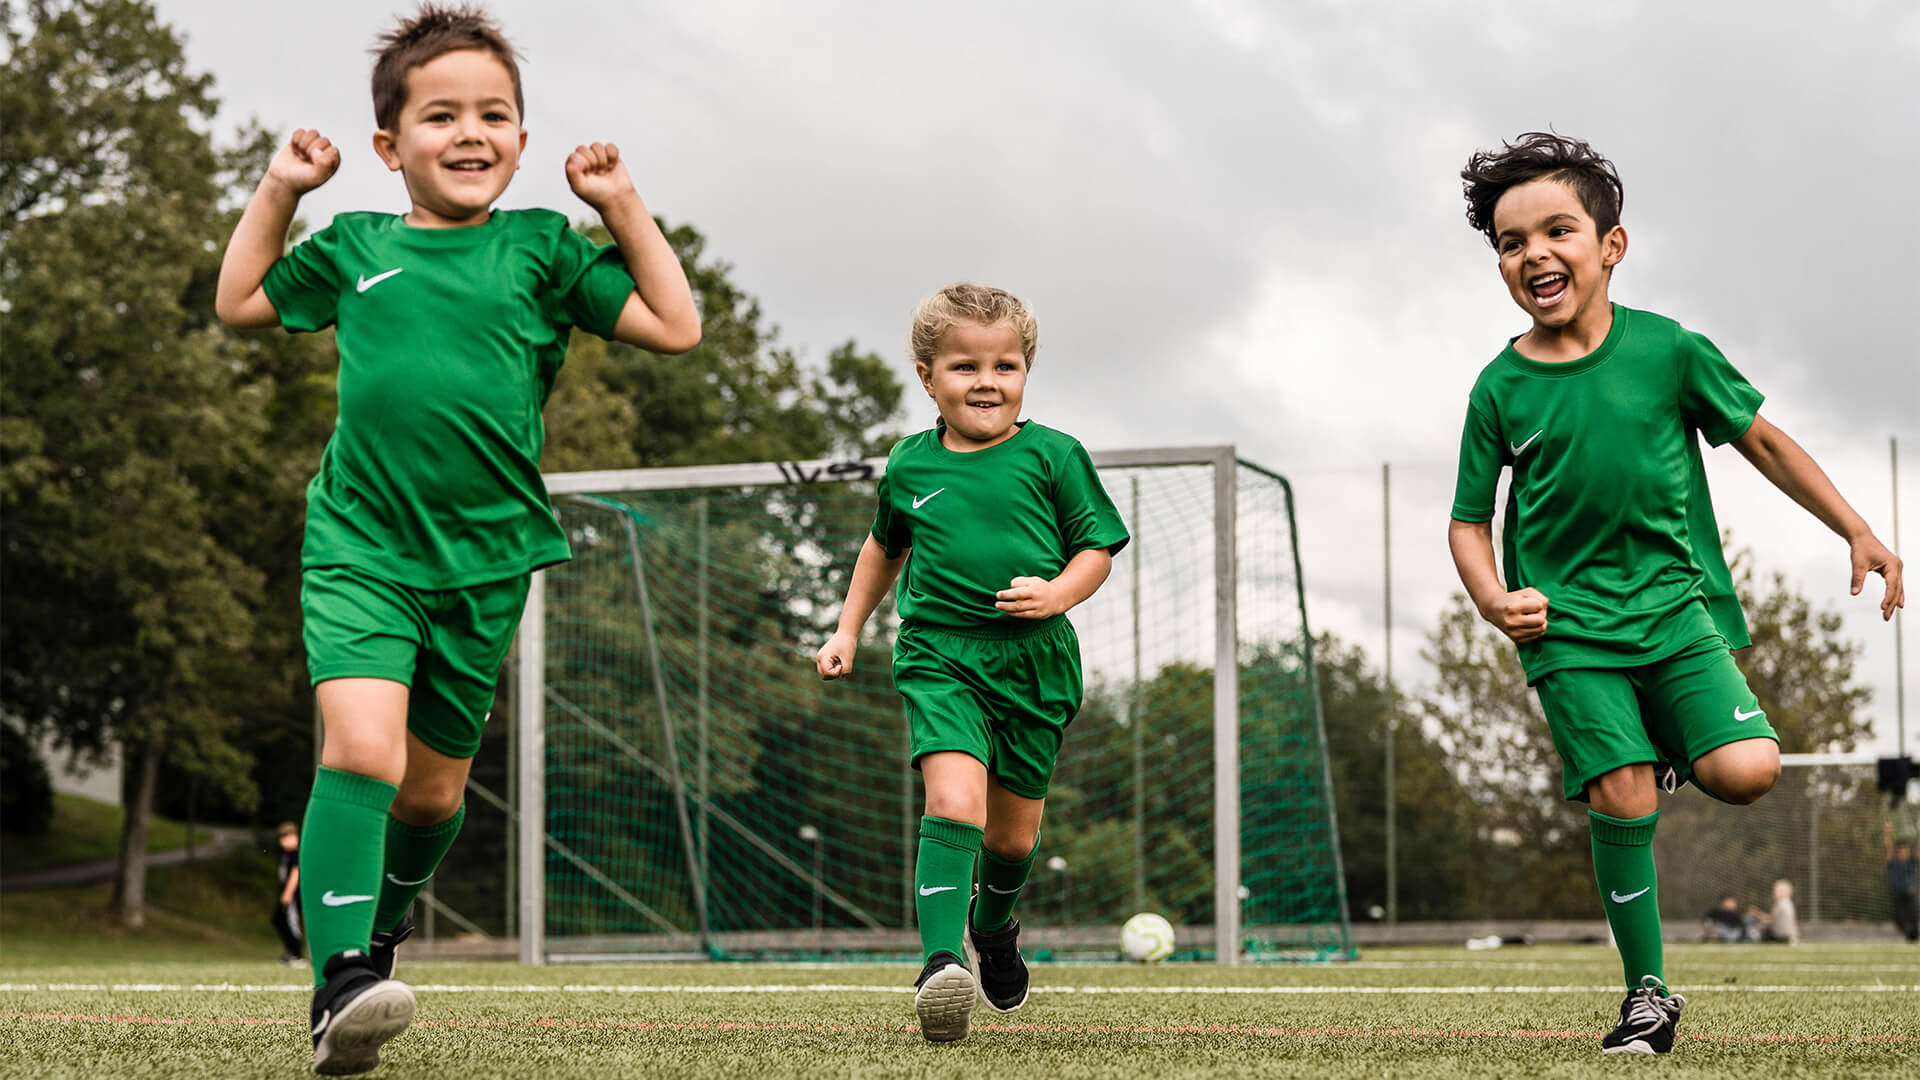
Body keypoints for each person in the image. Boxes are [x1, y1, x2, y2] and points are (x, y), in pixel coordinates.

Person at [213, 5, 700, 1072]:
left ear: (523, 140)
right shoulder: (353, 247)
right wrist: (283, 188)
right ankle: (340, 980)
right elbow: (239, 298)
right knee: (363, 750)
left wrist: (620, 205)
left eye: (494, 113)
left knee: (433, 795)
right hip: (360, 548)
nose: (470, 132)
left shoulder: (543, 250)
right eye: (441, 115)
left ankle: (379, 933)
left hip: (485, 567)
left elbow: (676, 325)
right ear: (391, 147)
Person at [1448, 132, 1904, 1057]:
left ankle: (1659, 746)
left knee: (1748, 771)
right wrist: (1495, 601)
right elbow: (1466, 522)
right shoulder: (1499, 387)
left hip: (1671, 612)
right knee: (1623, 797)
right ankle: (1647, 995)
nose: (1533, 252)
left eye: (1556, 230)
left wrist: (1855, 527)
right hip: (1568, 631)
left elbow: (1767, 442)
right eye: (1508, 241)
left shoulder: (1669, 350)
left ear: (1610, 247)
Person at [816, 284, 1128, 1042]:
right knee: (955, 803)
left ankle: (993, 930)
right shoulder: (908, 464)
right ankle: (937, 967)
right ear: (928, 377)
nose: (986, 381)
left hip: (1033, 663)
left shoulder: (1055, 455)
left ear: (1025, 373)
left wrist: (1057, 593)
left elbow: (1098, 551)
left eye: (1005, 365)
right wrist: (847, 630)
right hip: (939, 656)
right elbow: (882, 549)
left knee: (1013, 840)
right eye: (964, 366)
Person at [272, 822, 307, 967]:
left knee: (291, 923)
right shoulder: (287, 854)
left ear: (295, 837)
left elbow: (295, 873)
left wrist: (288, 893)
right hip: (286, 895)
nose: (283, 842)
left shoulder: (296, 853)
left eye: (287, 837)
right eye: (281, 838)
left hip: (292, 895)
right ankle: (290, 951)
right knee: (278, 919)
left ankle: (297, 954)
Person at [1889, 823, 1918, 942]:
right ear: (1898, 851)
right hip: (1897, 895)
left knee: (1913, 919)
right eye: (1901, 850)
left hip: (1910, 895)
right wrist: (1887, 832)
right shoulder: (1893, 862)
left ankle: (1914, 935)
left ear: (1908, 851)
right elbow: (1888, 847)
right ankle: (1908, 934)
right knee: (1899, 922)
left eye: (1905, 849)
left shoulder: (1912, 861)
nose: (1903, 852)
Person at [1750, 879, 1798, 944]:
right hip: (1787, 936)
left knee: (1764, 933)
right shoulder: (1787, 903)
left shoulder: (1782, 904)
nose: (1774, 892)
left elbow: (1769, 920)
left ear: (1784, 891)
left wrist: (1756, 913)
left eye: (1776, 890)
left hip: (1783, 937)